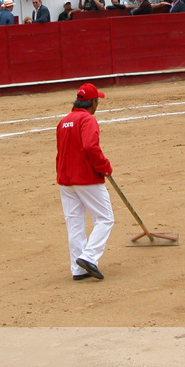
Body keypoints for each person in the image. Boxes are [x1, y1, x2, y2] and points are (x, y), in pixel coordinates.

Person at [55, 82, 114, 280]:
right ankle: (89, 257)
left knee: (75, 224)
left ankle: (78, 268)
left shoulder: (64, 121)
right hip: (86, 178)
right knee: (105, 218)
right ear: (93, 103)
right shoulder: (87, 120)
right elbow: (90, 147)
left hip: (66, 180)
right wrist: (103, 166)